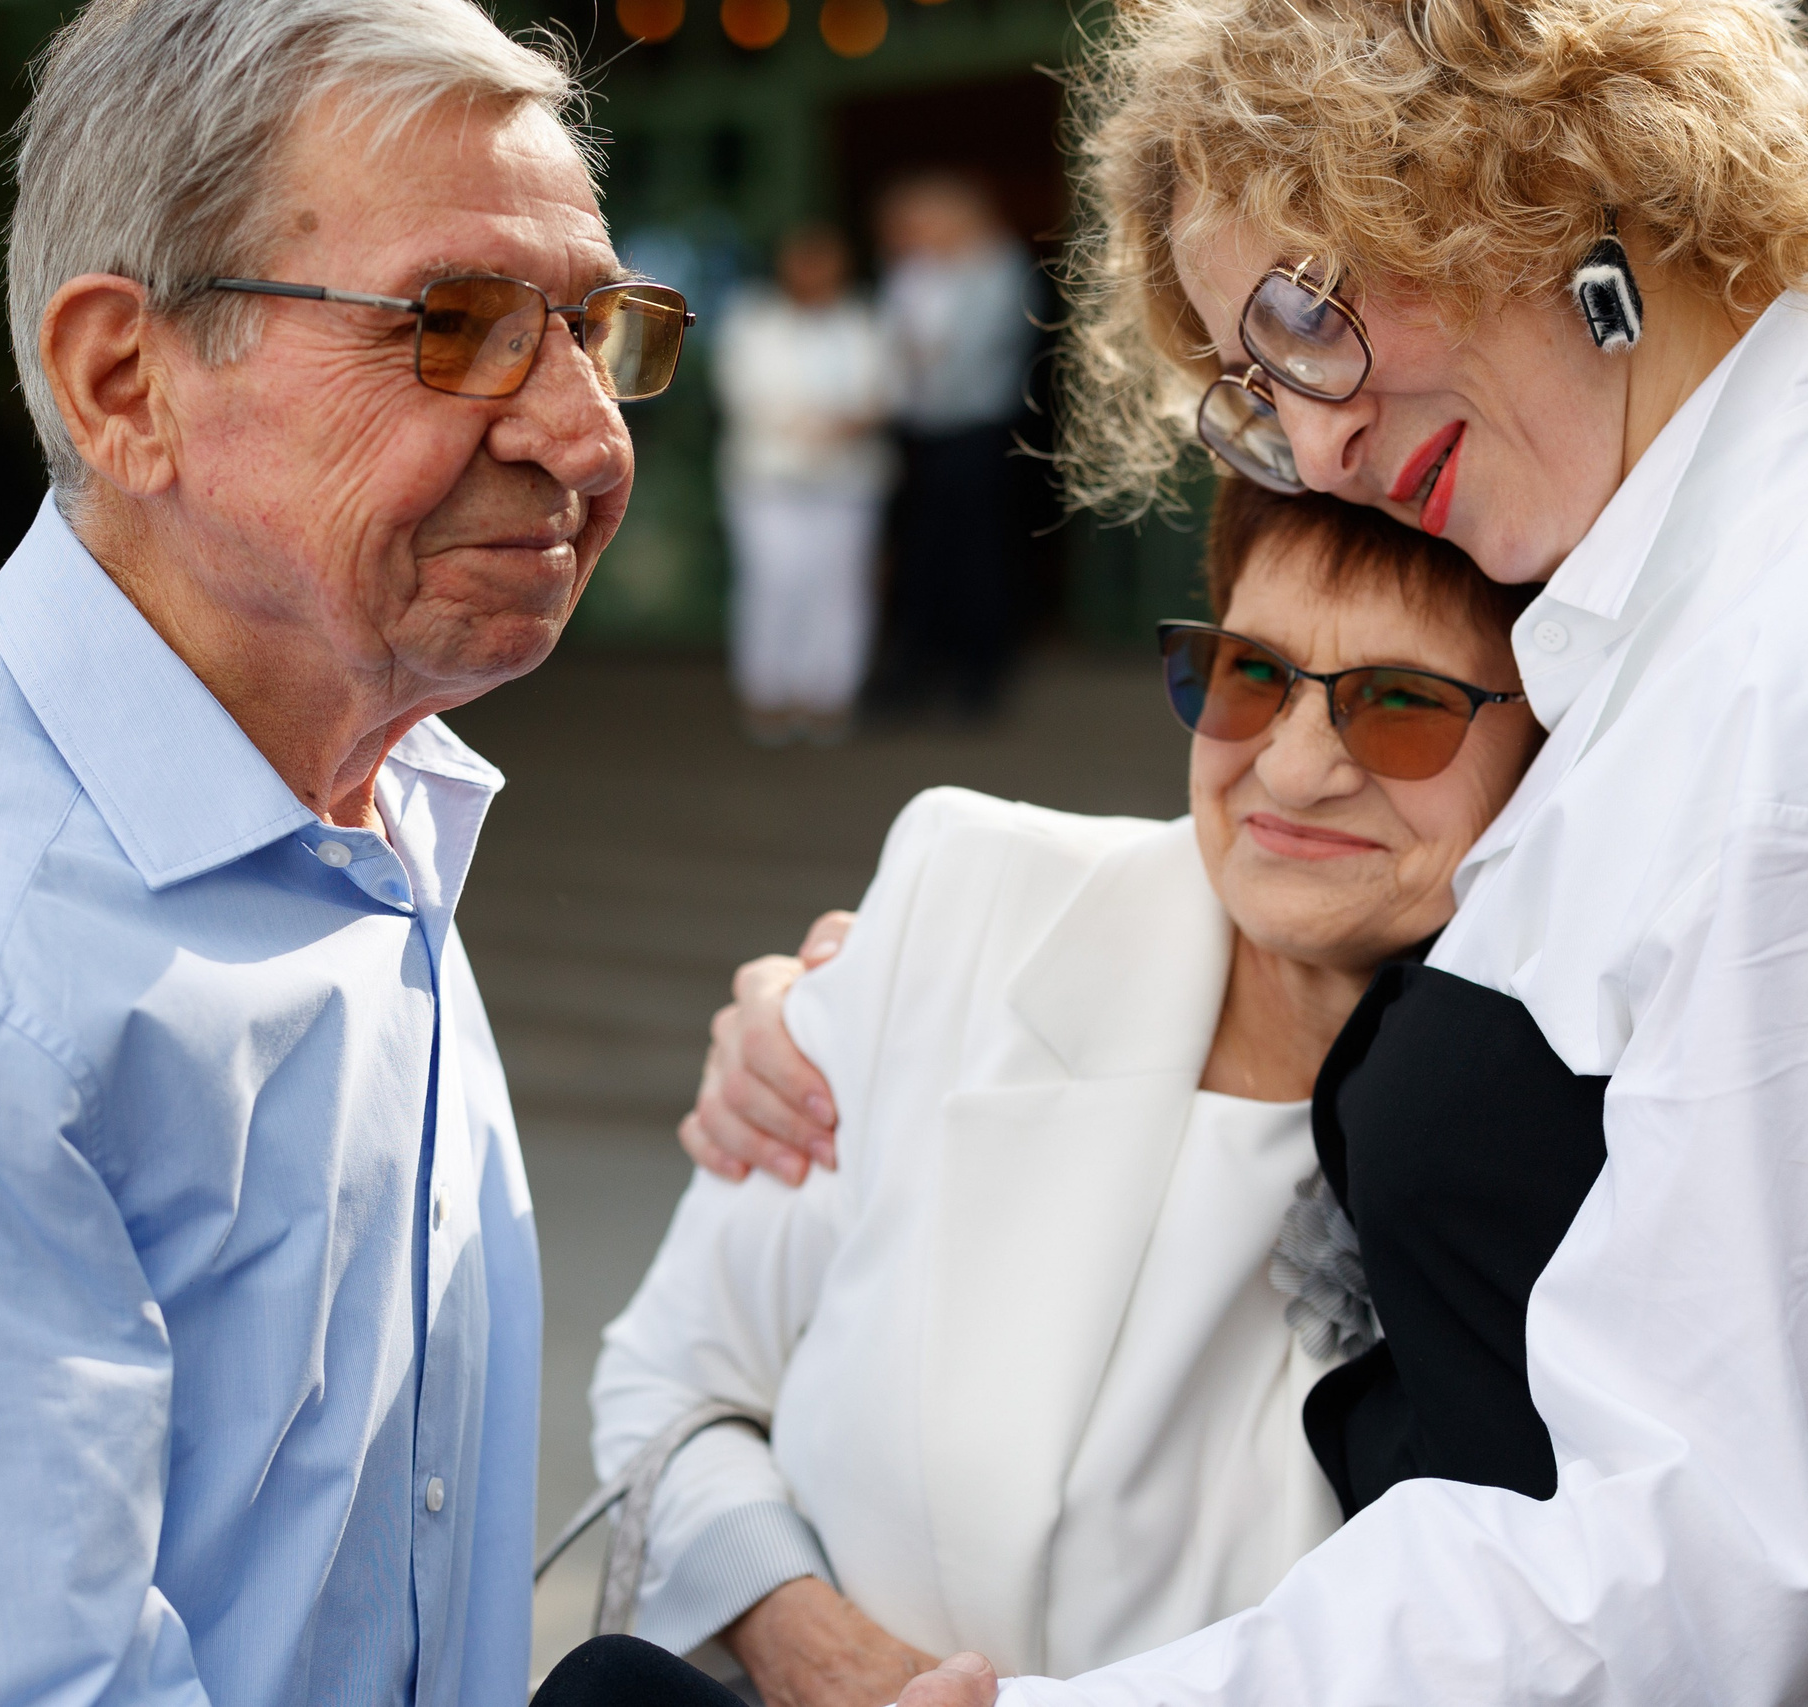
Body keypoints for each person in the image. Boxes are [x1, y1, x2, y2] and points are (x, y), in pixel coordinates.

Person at [673, 3, 1808, 1706]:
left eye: (1308, 313)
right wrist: (862, 999)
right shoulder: (1687, 632)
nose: (1316, 449)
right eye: (1255, 385)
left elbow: (1687, 1574)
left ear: (1538, 166)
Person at [0, 1, 692, 1701]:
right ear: (125, 382)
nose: (585, 436)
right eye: (462, 324)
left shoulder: (372, 799)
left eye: (594, 328)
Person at [590, 486, 1543, 1704]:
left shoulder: (1587, 1137)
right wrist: (808, 1645)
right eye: (1248, 675)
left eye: (1403, 702)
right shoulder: (966, 901)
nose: (1295, 771)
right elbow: (671, 1385)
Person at [717, 223, 896, 745]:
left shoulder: (863, 321)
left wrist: (845, 424)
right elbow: (743, 392)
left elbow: (883, 391)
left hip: (848, 479)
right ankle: (767, 693)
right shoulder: (753, 320)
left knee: (840, 587)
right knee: (773, 581)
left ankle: (830, 696)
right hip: (767, 478)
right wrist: (813, 425)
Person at [872, 171, 1039, 717]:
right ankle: (915, 668)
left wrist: (913, 374)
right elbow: (886, 343)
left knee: (977, 553)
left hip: (975, 431)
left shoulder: (1000, 265)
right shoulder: (908, 272)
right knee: (920, 553)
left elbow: (983, 348)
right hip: (915, 433)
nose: (907, 233)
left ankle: (980, 675)